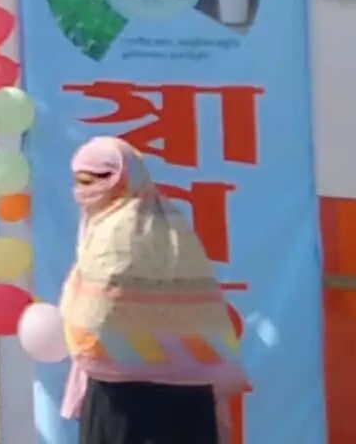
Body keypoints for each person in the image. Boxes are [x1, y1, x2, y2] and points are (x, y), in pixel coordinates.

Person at [62, 137, 247, 444]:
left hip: (120, 395)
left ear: (119, 179)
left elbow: (93, 318)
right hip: (187, 385)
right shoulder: (172, 221)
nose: (83, 192)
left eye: (90, 182)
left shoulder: (114, 229)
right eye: (79, 182)